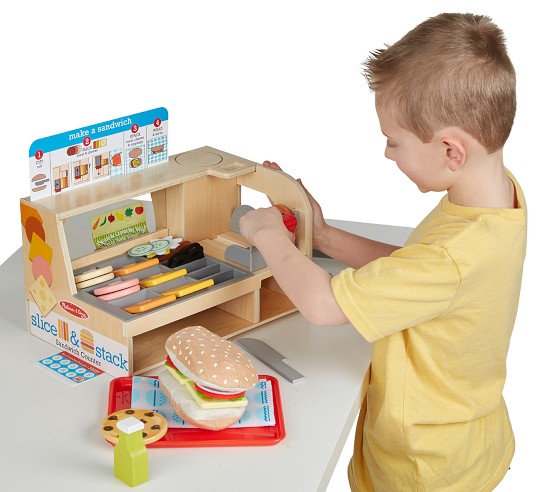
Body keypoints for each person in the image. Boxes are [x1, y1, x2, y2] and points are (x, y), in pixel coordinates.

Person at [239, 12, 527, 492]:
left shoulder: (453, 258)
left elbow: (324, 305)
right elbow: (417, 268)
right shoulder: (495, 201)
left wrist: (267, 234)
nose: (389, 155)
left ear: (451, 151)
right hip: (469, 438)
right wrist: (326, 235)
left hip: (422, 468)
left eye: (394, 142)